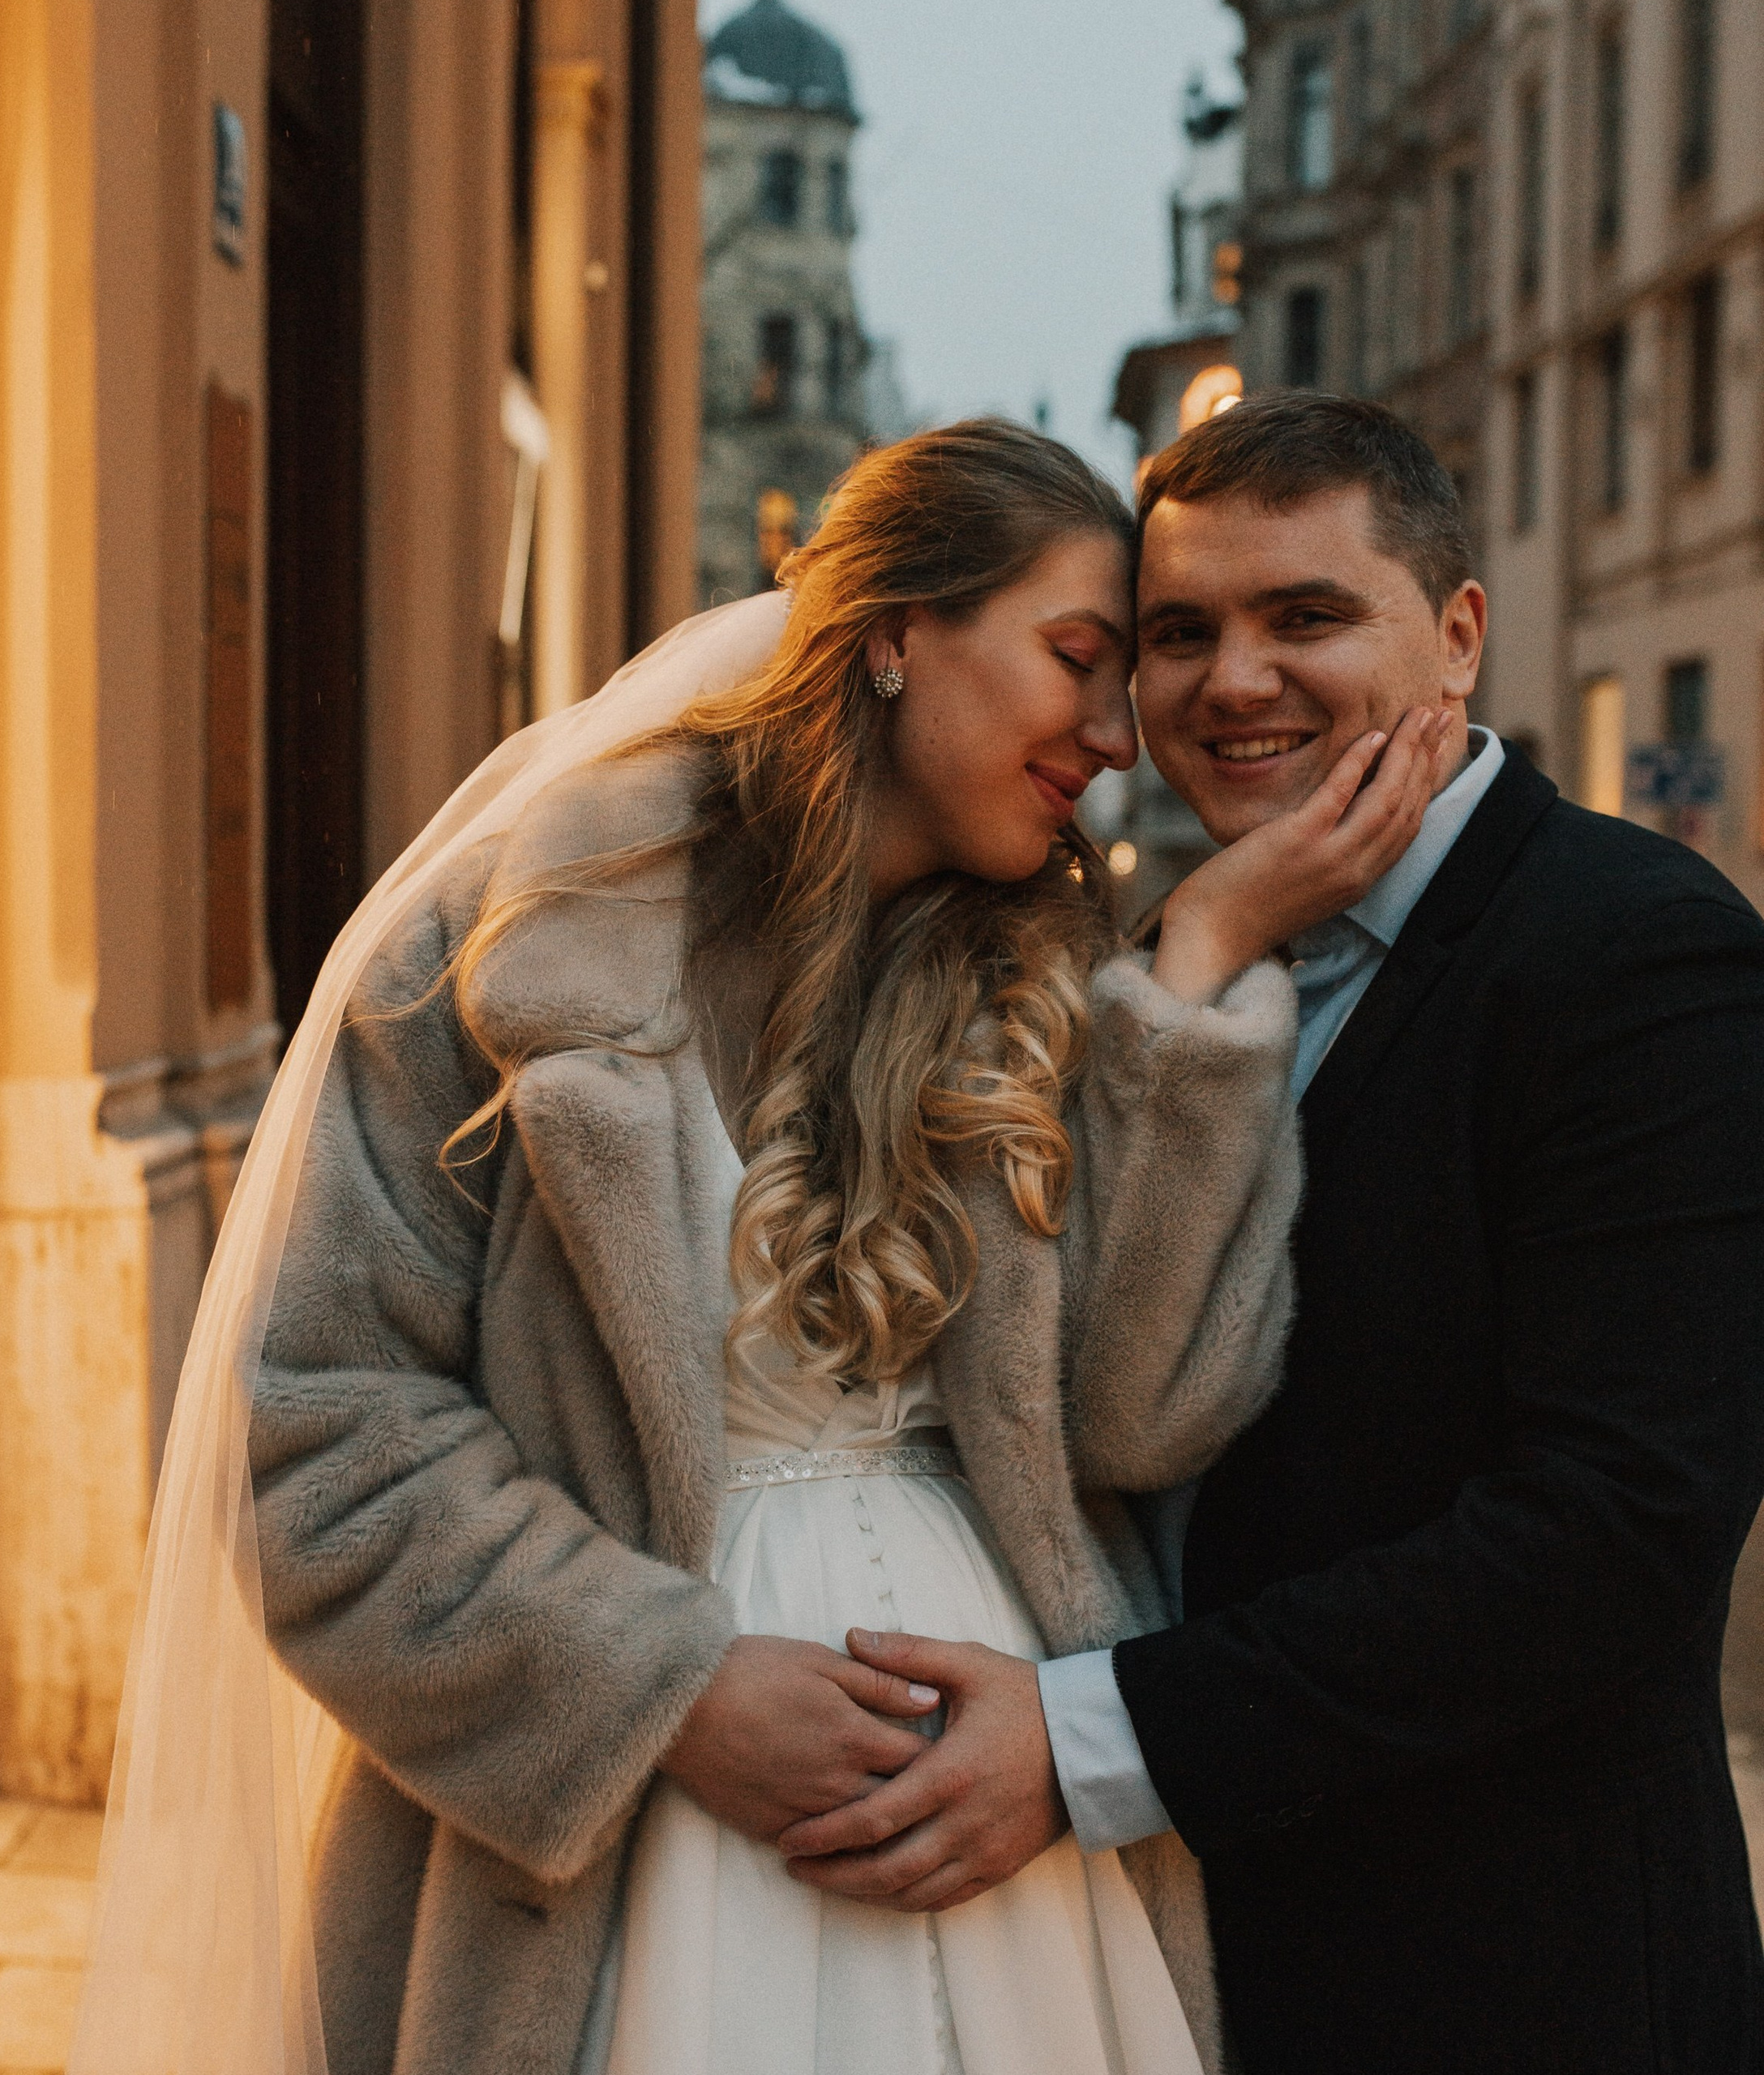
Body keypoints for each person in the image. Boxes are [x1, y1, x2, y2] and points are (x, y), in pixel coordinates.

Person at [157, 418, 1448, 2075]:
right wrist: (667, 1687)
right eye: (1078, 659)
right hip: (610, 1837)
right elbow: (314, 1431)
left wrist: (1195, 970)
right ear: (896, 634)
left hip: (1005, 1836)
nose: (1118, 737)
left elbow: (1142, 1419)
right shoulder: (500, 949)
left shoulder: (1053, 982)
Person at [813, 394, 1764, 2073]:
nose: (1230, 680)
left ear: (1455, 635)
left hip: (1505, 1977)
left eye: (1303, 616)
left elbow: (1615, 1528)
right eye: (1178, 632)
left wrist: (1087, 1739)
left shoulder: (1633, 950)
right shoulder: (1166, 942)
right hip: (1173, 1954)